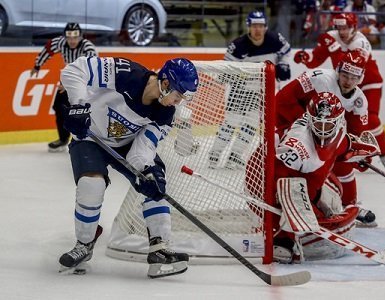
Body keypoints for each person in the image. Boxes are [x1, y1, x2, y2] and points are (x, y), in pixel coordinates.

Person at [57, 56, 199, 278]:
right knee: (90, 185)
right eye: (178, 95)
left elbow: (141, 150)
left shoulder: (165, 114)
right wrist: (78, 106)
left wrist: (145, 172)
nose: (178, 102)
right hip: (90, 137)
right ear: (165, 84)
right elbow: (74, 71)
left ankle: (159, 247)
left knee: (157, 181)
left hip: (127, 145)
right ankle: (84, 244)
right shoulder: (124, 72)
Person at [246, 92, 378, 263]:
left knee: (335, 187)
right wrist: (290, 225)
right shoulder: (297, 144)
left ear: (338, 121)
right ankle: (283, 240)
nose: (322, 131)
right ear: (309, 119)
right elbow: (283, 182)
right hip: (263, 182)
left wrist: (361, 153)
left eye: (328, 125)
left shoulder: (336, 132)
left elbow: (344, 145)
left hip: (296, 178)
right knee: (302, 209)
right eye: (318, 124)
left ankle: (302, 221)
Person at [277, 49, 378, 227]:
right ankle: (283, 198)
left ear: (360, 78)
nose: (348, 81)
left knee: (344, 165)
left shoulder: (359, 101)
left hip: (324, 131)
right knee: (296, 161)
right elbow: (284, 98)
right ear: (338, 70)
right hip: (293, 124)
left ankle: (350, 205)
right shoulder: (319, 78)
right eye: (345, 75)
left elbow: (356, 134)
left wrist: (359, 156)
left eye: (354, 78)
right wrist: (305, 125)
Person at [293, 12, 385, 174]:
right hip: (346, 84)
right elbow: (315, 62)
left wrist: (333, 47)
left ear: (354, 28)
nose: (341, 31)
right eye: (338, 27)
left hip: (368, 81)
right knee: (340, 118)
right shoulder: (332, 37)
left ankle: (383, 154)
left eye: (345, 27)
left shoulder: (361, 42)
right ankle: (350, 153)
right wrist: (304, 58)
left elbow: (349, 66)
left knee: (372, 119)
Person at [208, 10, 291, 170]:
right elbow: (226, 69)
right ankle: (214, 154)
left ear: (266, 27)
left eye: (261, 26)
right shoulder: (238, 46)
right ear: (248, 27)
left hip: (261, 91)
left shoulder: (274, 40)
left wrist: (283, 65)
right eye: (254, 26)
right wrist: (235, 76)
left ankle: (234, 156)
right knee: (231, 123)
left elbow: (286, 52)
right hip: (241, 91)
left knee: (251, 124)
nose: (258, 29)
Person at [30, 23, 97, 152]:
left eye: (75, 37)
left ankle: (90, 141)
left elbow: (92, 71)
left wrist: (70, 85)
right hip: (67, 81)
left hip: (86, 83)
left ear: (80, 37)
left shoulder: (88, 48)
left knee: (85, 111)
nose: (72, 41)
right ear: (65, 37)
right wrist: (37, 65)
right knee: (59, 107)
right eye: (69, 37)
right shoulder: (60, 43)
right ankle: (63, 139)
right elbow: (48, 49)